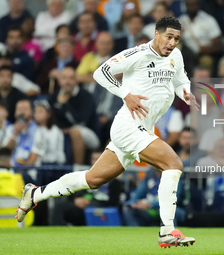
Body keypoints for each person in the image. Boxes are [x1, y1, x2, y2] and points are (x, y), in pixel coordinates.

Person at [16, 16, 197, 247]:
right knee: (173, 164)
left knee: (92, 179)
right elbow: (101, 73)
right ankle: (167, 231)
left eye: (177, 39)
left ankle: (35, 194)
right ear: (157, 34)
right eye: (169, 37)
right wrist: (126, 95)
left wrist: (187, 94)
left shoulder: (176, 56)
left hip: (144, 128)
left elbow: (181, 80)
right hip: (128, 127)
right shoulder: (138, 54)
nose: (172, 43)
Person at [49, 67, 99, 165]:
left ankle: (78, 168)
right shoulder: (54, 96)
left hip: (90, 133)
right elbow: (50, 119)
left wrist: (66, 105)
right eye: (64, 78)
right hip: (61, 131)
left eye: (71, 78)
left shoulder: (85, 96)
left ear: (76, 80)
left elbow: (82, 121)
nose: (68, 82)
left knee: (75, 131)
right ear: (59, 81)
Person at [4, 99, 45, 183]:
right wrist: (15, 133)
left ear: (32, 113)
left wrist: (16, 173)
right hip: (9, 172)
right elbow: (4, 154)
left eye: (25, 109)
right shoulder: (10, 129)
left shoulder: (39, 131)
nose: (22, 112)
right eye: (19, 109)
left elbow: (32, 160)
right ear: (15, 113)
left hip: (29, 174)